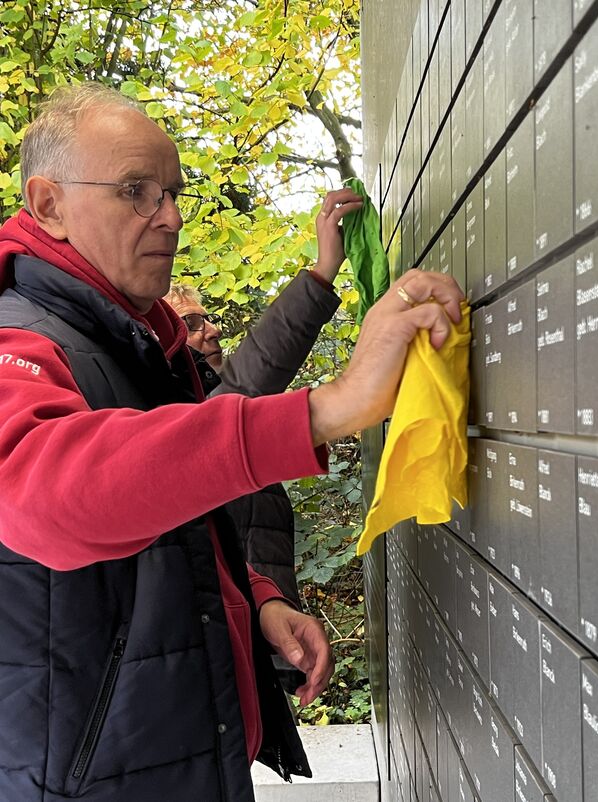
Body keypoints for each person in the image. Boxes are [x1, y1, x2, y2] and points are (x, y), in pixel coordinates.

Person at [0, 82, 462, 802]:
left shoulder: (130, 336)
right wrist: (329, 407)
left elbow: (163, 523)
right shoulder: (19, 335)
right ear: (49, 204)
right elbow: (43, 496)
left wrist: (254, 600)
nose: (171, 217)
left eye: (173, 191)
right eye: (137, 191)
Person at [164, 254, 344, 690]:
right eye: (193, 324)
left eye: (208, 319)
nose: (213, 330)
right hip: (227, 635)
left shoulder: (203, 395)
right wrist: (320, 275)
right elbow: (250, 379)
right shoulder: (183, 412)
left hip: (260, 621)